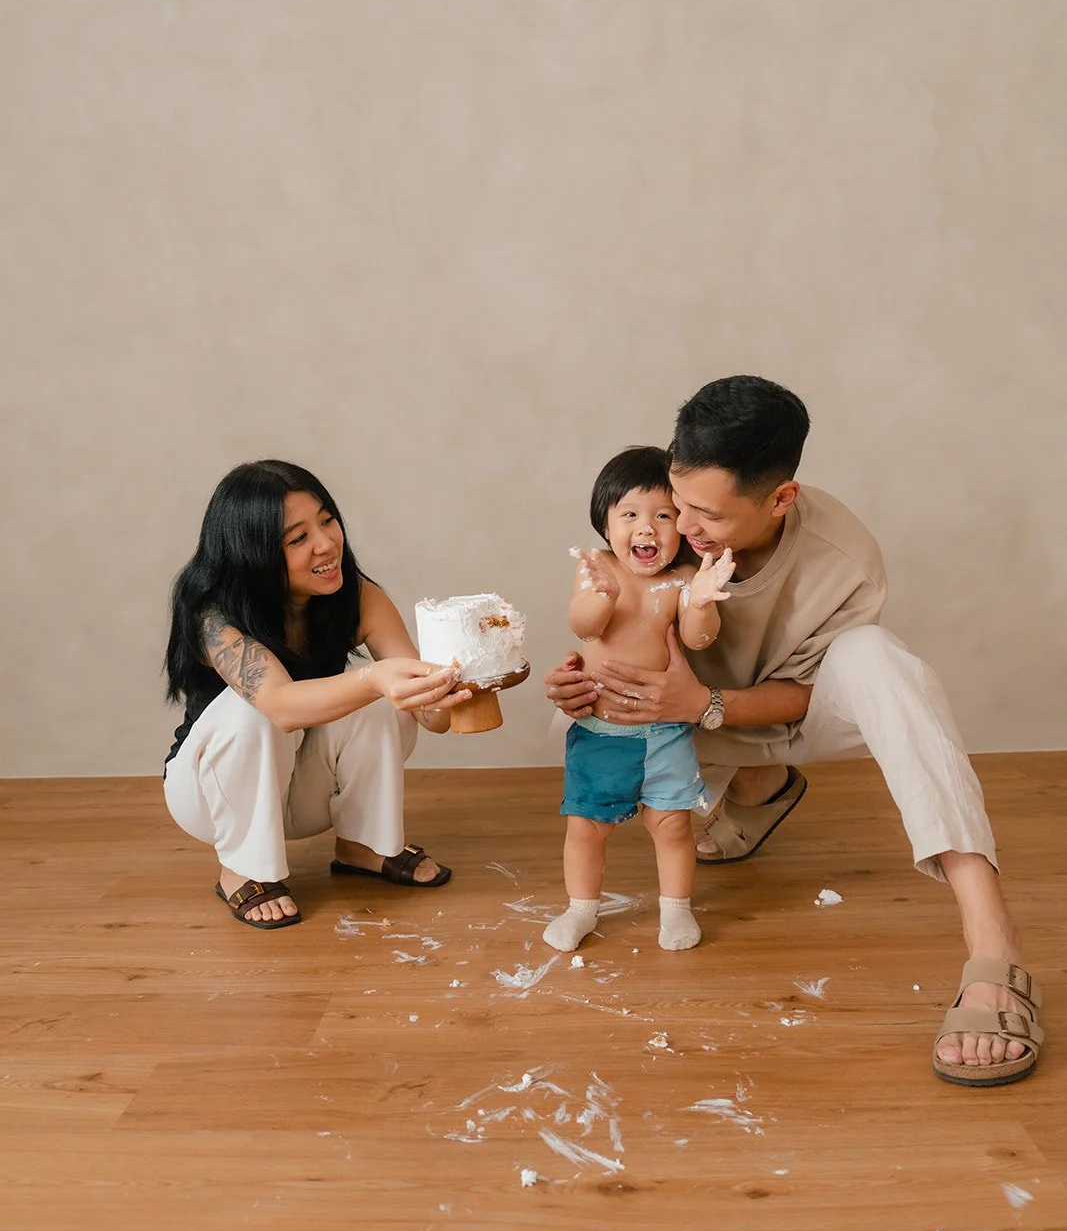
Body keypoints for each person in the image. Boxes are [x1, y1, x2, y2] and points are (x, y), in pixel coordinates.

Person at [544, 378, 1043, 1087]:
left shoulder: (841, 558)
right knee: (571, 718)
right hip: (668, 721)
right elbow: (609, 630)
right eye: (675, 501)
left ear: (780, 498)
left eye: (706, 515)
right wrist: (581, 678)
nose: (679, 526)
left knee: (881, 659)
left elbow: (813, 697)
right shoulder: (656, 527)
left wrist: (704, 702)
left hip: (773, 714)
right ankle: (757, 786)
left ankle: (993, 941)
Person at [164, 460, 470, 928]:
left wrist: (446, 692)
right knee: (260, 710)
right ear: (253, 553)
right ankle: (241, 868)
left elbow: (428, 715)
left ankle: (366, 843)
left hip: (300, 786)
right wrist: (376, 679)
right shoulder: (214, 616)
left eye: (327, 520)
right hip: (211, 796)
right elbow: (281, 708)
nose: (326, 544)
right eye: (297, 538)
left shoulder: (359, 597)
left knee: (379, 696)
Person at [542, 446, 735, 955]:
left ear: (683, 526)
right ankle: (581, 908)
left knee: (672, 826)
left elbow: (697, 639)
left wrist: (705, 601)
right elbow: (584, 625)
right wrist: (601, 595)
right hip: (601, 730)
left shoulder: (684, 579)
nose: (646, 528)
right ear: (606, 527)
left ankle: (676, 909)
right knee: (586, 827)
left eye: (663, 515)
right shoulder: (598, 568)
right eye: (629, 515)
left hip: (665, 730)